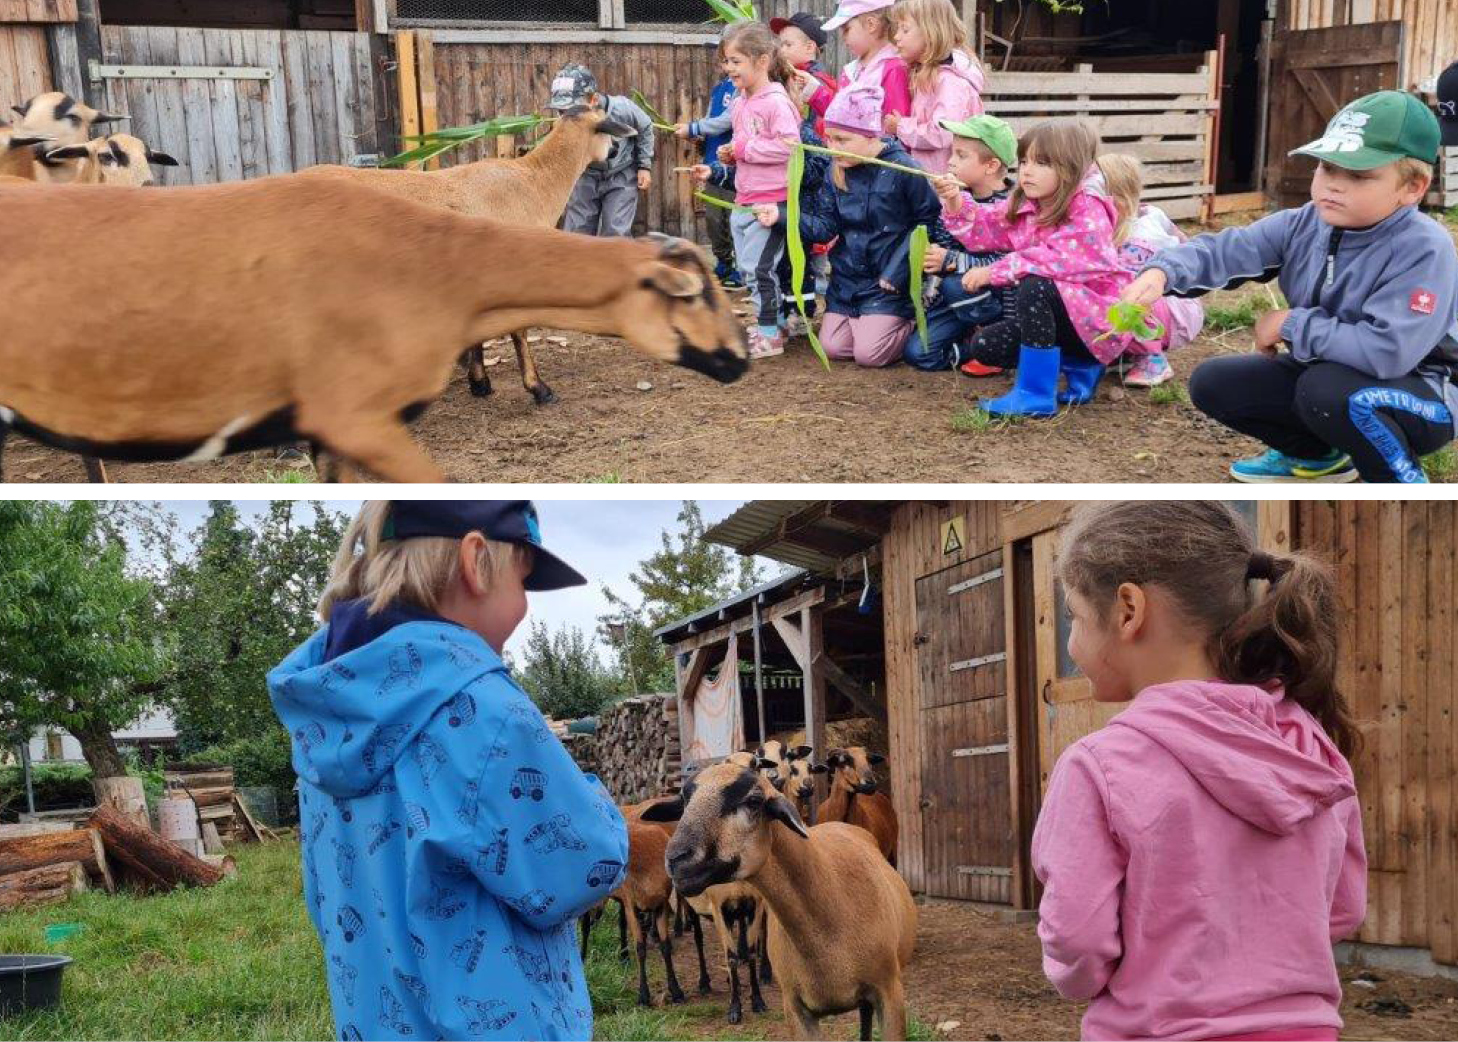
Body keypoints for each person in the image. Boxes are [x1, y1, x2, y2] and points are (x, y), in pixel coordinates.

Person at [269, 501, 629, 1042]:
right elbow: (585, 866)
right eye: (524, 580)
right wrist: (595, 800)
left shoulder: (324, 719)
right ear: (476, 561)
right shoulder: (483, 709)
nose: (525, 605)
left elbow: (327, 902)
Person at [1033, 500, 1366, 1042]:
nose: (1072, 641)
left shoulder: (1099, 767)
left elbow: (1078, 942)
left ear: (1127, 610)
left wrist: (1089, 980)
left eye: (1074, 615)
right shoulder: (1311, 750)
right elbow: (1342, 910)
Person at [1124, 90, 1457, 483]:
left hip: (1424, 395)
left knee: (1327, 393)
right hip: (1328, 376)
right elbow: (1228, 251)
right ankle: (1318, 457)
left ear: (1413, 187)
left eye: (1358, 175)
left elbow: (1387, 353)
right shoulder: (1304, 222)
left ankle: (1401, 480)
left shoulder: (1423, 247)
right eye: (1327, 168)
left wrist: (1291, 325)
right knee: (1213, 382)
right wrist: (1161, 273)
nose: (1334, 185)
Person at [936, 118, 1134, 416]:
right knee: (987, 345)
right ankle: (1081, 366)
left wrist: (995, 271)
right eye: (1024, 160)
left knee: (1036, 283)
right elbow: (987, 226)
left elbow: (1057, 257)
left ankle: (1035, 394)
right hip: (1067, 320)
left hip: (1096, 320)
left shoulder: (1087, 208)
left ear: (1069, 168)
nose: (1026, 170)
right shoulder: (1030, 201)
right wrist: (954, 201)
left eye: (1041, 162)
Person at [773, 83, 941, 367]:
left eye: (843, 140)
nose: (833, 148)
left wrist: (898, 272)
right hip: (848, 279)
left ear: (870, 134)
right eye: (830, 139)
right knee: (832, 348)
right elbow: (826, 227)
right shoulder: (835, 169)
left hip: (888, 281)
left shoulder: (905, 169)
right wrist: (781, 216)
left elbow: (929, 221)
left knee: (869, 355)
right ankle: (869, 324)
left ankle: (910, 317)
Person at [692, 20, 802, 359]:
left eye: (736, 61)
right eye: (727, 61)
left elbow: (790, 146)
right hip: (745, 197)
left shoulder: (775, 102)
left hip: (770, 202)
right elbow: (745, 147)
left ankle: (769, 335)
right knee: (749, 267)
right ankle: (778, 322)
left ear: (762, 60)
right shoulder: (741, 102)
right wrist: (723, 163)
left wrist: (743, 150)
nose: (729, 68)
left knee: (759, 269)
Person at [904, 114, 1017, 372]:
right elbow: (946, 243)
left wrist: (952, 261)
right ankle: (972, 348)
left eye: (961, 155)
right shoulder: (956, 197)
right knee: (918, 354)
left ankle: (996, 340)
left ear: (991, 165)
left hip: (995, 299)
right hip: (955, 297)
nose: (950, 162)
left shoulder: (1012, 207)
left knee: (958, 284)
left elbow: (1007, 262)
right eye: (952, 153)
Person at [1093, 152, 1205, 388]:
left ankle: (1152, 357)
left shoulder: (1138, 239)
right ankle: (1126, 353)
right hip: (1173, 305)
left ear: (1117, 204)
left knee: (1124, 293)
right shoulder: (1150, 213)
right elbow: (1183, 240)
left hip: (1172, 314)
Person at [554, 64, 656, 238]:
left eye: (573, 108)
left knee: (615, 231)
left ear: (593, 100)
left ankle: (617, 264)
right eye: (562, 109)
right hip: (586, 175)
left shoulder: (623, 109)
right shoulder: (565, 120)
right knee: (577, 231)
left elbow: (645, 127)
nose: (566, 114)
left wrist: (644, 166)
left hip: (621, 174)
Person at [887, 0, 984, 175]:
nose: (896, 36)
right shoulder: (931, 74)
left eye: (905, 29)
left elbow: (942, 133)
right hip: (934, 178)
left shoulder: (951, 82)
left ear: (930, 32)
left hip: (945, 184)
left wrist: (901, 127)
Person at [677, 38, 742, 286]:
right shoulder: (720, 88)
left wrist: (694, 126)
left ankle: (738, 268)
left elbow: (728, 120)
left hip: (732, 165)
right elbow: (710, 119)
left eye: (731, 60)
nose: (725, 65)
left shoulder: (741, 89)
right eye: (724, 60)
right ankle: (723, 264)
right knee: (714, 219)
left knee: (731, 218)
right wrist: (698, 134)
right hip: (712, 162)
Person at [818, 0, 912, 120]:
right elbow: (839, 115)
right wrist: (814, 92)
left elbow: (894, 129)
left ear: (871, 24)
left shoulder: (893, 69)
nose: (842, 37)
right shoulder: (852, 70)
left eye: (846, 29)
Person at [773, 12, 838, 136]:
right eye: (780, 45)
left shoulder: (817, 82)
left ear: (809, 47)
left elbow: (818, 130)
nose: (781, 50)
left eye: (788, 45)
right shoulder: (787, 75)